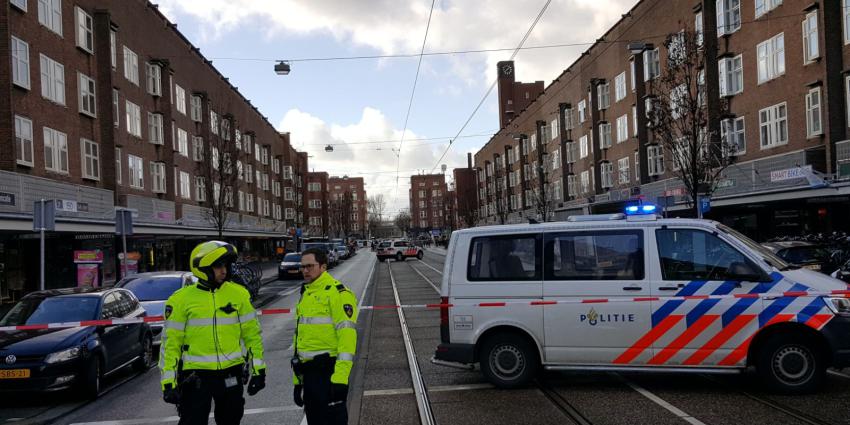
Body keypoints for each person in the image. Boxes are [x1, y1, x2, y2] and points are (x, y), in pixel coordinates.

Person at [159, 241, 267, 425]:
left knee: (231, 421)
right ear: (203, 267)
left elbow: (252, 335)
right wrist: (168, 382)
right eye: (218, 266)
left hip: (230, 374)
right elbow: (171, 344)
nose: (224, 270)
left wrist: (259, 370)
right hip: (196, 378)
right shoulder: (180, 300)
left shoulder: (239, 294)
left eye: (226, 265)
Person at [291, 248, 358, 425]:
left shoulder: (338, 293)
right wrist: (297, 382)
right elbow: (300, 341)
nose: (305, 270)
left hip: (329, 374)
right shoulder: (306, 293)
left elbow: (347, 338)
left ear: (323, 267)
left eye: (310, 266)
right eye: (302, 266)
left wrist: (341, 379)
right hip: (309, 376)